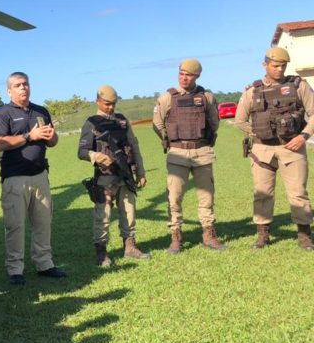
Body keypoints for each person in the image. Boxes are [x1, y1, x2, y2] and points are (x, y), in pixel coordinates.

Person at [235, 47, 314, 250]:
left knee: (298, 192)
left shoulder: (299, 86)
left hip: (292, 148)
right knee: (262, 193)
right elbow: (240, 120)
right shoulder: (252, 91)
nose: (280, 69)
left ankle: (304, 235)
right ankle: (263, 235)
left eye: (283, 66)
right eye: (275, 65)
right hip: (262, 151)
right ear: (265, 65)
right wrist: (260, 134)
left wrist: (303, 136)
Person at [0, 71, 66, 286]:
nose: (23, 88)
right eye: (18, 85)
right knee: (15, 226)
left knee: (43, 223)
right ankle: (15, 269)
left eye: (25, 84)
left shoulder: (40, 111)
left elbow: (52, 142)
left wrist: (52, 138)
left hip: (40, 176)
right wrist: (28, 137)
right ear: (9, 90)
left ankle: (44, 264)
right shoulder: (4, 114)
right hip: (15, 179)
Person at [153, 59, 226, 253]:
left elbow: (214, 121)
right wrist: (169, 140)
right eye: (182, 73)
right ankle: (176, 235)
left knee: (206, 196)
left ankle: (209, 234)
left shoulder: (206, 96)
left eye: (189, 74)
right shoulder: (167, 98)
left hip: (202, 152)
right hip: (177, 153)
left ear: (197, 76)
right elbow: (157, 124)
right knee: (174, 197)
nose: (184, 77)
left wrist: (204, 140)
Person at [78, 85, 149, 266]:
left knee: (129, 213)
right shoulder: (91, 122)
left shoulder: (122, 121)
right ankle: (101, 253)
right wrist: (96, 156)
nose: (110, 107)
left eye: (113, 104)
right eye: (107, 104)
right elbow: (81, 151)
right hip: (105, 177)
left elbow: (134, 146)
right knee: (103, 216)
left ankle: (130, 247)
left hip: (126, 176)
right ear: (98, 101)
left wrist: (140, 172)